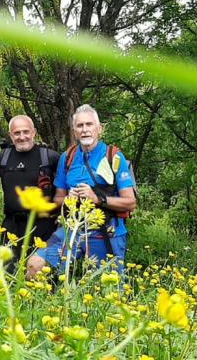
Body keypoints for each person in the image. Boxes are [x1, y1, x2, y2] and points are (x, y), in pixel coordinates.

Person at [27, 104, 136, 278]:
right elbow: (58, 199)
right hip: (72, 228)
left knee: (109, 289)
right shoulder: (67, 157)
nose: (85, 130)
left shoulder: (113, 156)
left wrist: (97, 198)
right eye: (80, 126)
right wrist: (69, 199)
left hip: (107, 231)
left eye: (89, 124)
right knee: (35, 264)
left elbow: (130, 202)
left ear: (99, 129)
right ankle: (45, 303)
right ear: (75, 132)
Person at [0, 115, 59, 262]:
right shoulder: (3, 157)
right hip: (12, 227)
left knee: (40, 276)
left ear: (33, 132)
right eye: (17, 133)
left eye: (26, 132)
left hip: (44, 227)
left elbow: (65, 187)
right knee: (8, 276)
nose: (22, 137)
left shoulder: (50, 157)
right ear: (10, 135)